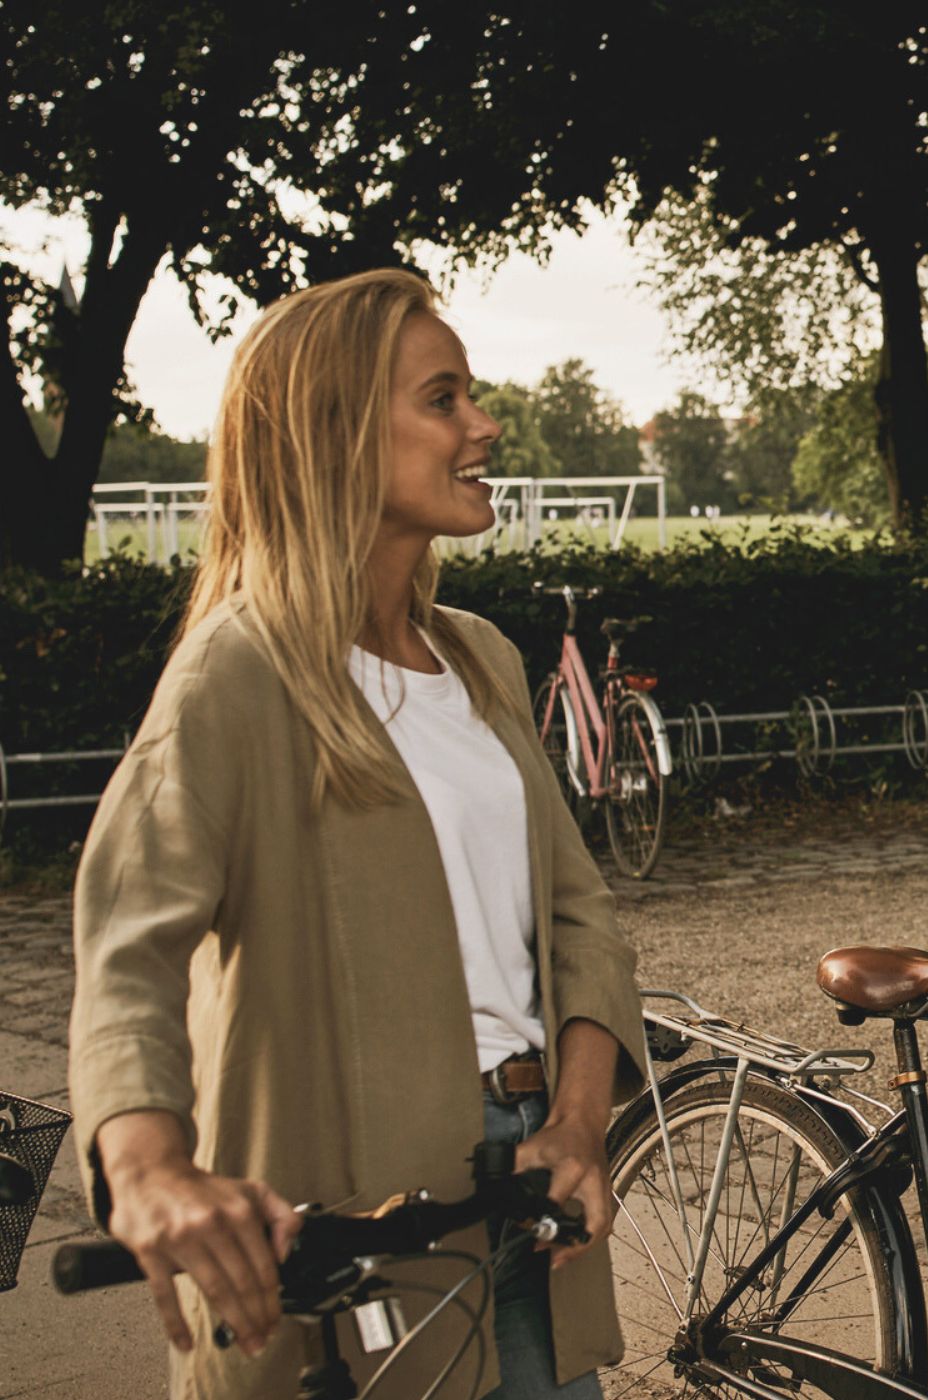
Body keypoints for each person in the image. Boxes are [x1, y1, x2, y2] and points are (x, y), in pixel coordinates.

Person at [67, 268, 647, 1399]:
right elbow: (124, 948)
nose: (482, 423)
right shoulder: (239, 671)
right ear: (333, 434)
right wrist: (145, 1164)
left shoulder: (479, 653)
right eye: (443, 398)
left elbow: (578, 913)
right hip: (358, 1214)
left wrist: (578, 1119)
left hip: (533, 1189)